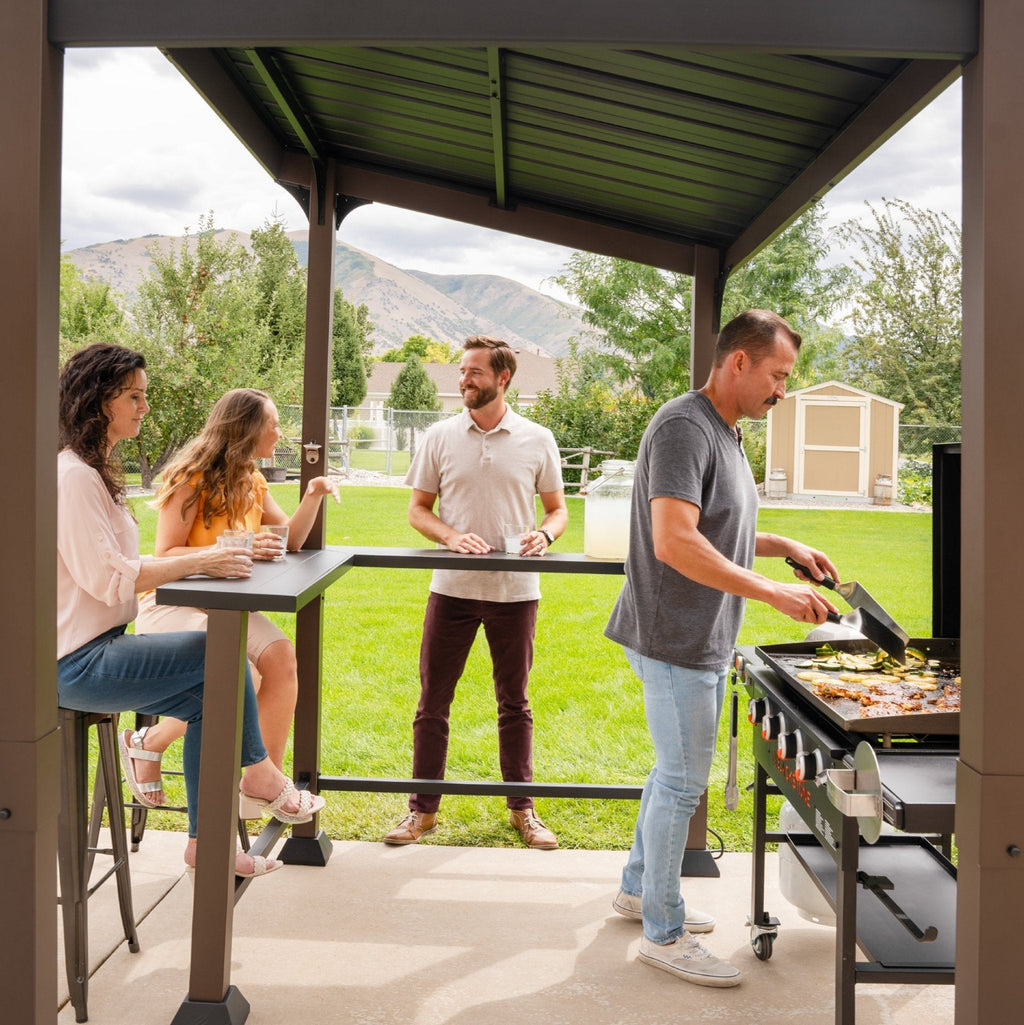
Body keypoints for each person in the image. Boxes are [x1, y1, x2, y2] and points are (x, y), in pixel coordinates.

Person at [604, 310, 840, 987]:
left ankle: (638, 889)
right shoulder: (684, 427)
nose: (783, 390)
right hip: (673, 637)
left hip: (700, 636)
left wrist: (784, 544)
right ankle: (663, 931)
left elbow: (715, 525)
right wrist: (772, 592)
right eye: (778, 375)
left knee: (669, 773)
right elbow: (674, 540)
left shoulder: (726, 432)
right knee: (683, 781)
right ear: (739, 361)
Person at [57, 344, 325, 877]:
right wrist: (206, 558)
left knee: (216, 691)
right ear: (99, 400)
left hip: (102, 645)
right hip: (75, 662)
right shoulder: (74, 477)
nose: (145, 407)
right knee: (222, 657)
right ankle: (261, 775)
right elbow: (110, 579)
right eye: (134, 396)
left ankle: (208, 844)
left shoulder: (93, 472)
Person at [383, 336, 568, 849]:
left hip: (516, 591)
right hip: (452, 589)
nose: (463, 379)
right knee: (432, 702)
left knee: (515, 703)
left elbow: (557, 510)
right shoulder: (440, 436)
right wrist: (450, 537)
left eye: (474, 372)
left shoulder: (537, 438)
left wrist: (545, 534)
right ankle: (421, 811)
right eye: (462, 371)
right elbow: (418, 509)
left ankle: (523, 810)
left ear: (503, 378)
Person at [129, 388, 340, 802]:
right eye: (273, 424)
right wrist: (235, 546)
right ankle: (149, 741)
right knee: (240, 673)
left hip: (225, 606)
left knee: (280, 656)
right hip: (171, 603)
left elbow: (291, 540)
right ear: (247, 429)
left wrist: (313, 493)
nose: (280, 433)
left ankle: (263, 784)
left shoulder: (252, 480)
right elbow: (165, 553)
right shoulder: (189, 479)